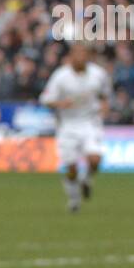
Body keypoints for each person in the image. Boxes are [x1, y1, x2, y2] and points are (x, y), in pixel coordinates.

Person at [39, 42, 111, 213]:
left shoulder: (98, 74)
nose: (81, 58)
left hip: (91, 122)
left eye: (84, 54)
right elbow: (45, 99)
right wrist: (60, 103)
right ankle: (74, 198)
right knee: (71, 167)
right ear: (71, 57)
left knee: (95, 160)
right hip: (68, 125)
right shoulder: (61, 76)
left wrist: (105, 108)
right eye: (77, 55)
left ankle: (86, 180)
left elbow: (105, 94)